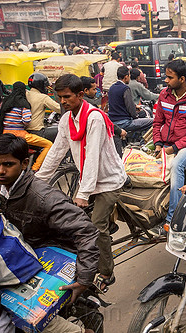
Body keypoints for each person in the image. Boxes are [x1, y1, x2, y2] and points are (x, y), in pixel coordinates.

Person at [0, 134, 99, 332]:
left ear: (24, 163)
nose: (0, 171)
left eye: (8, 164)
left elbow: (86, 231)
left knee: (35, 320)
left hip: (55, 257)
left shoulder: (43, 197)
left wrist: (84, 279)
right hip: (25, 256)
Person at [36, 74, 127, 293]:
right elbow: (57, 151)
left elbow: (93, 155)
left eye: (67, 97)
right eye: (60, 97)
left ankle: (107, 272)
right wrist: (37, 181)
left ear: (80, 94)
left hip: (107, 181)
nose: (63, 102)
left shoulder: (94, 118)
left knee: (97, 228)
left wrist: (83, 194)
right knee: (73, 222)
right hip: (88, 179)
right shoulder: (67, 120)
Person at [151, 59, 186, 234]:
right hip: (166, 143)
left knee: (176, 166)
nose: (165, 81)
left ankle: (171, 219)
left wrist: (173, 149)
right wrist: (158, 144)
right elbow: (157, 122)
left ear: (182, 79)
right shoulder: (164, 95)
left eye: (169, 77)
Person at [0, 82, 52, 171]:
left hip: (5, 134)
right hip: (20, 135)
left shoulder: (6, 102)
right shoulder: (23, 103)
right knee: (48, 144)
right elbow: (26, 121)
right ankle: (35, 168)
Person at [107, 66, 153, 136]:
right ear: (126, 77)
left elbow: (119, 103)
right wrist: (135, 115)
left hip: (113, 121)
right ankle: (143, 143)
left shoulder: (111, 88)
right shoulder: (125, 88)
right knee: (152, 121)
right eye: (129, 76)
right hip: (124, 122)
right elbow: (130, 107)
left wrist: (135, 106)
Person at [26, 73, 62, 138]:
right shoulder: (43, 97)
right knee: (61, 131)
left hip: (24, 131)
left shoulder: (25, 94)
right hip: (37, 131)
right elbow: (59, 109)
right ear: (41, 85)